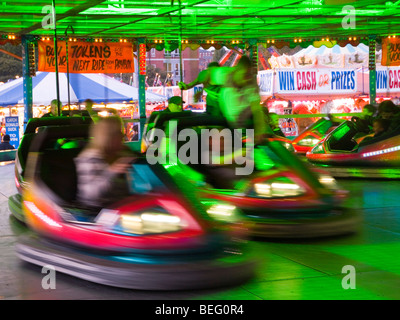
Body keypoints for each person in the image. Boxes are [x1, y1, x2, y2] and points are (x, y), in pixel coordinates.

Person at [74, 116, 136, 209]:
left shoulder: (123, 153)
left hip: (124, 206)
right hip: (97, 211)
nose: (122, 136)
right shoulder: (90, 158)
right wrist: (111, 171)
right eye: (118, 133)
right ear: (107, 137)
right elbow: (90, 194)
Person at [209, 55, 271, 143]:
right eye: (245, 75)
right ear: (237, 70)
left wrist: (259, 131)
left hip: (242, 123)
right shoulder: (223, 74)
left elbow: (257, 110)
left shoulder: (251, 84)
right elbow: (207, 74)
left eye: (248, 75)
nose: (246, 79)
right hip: (224, 120)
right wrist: (195, 87)